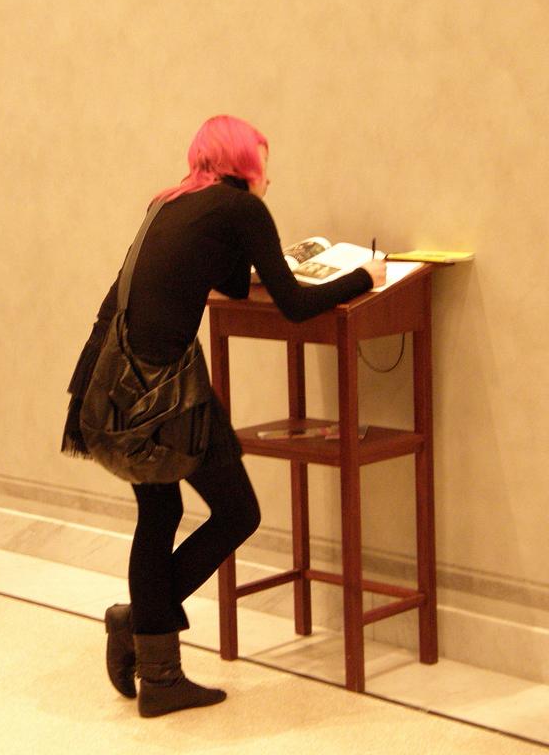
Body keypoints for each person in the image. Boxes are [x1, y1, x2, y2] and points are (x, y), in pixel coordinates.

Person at [62, 114, 386, 718]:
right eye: (264, 166)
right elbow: (292, 304)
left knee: (158, 515)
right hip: (165, 391)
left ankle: (156, 665)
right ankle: (139, 626)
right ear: (246, 165)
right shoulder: (241, 209)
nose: (269, 179)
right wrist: (360, 277)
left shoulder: (171, 201)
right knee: (238, 512)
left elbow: (230, 285)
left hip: (115, 382)